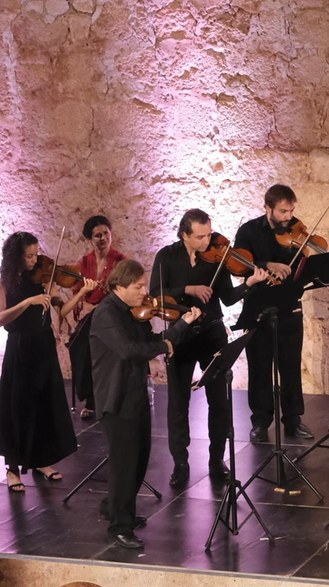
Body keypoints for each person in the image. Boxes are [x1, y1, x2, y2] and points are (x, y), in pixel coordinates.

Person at [155, 208, 270, 486]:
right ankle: (180, 463)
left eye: (209, 234)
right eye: (201, 237)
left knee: (219, 401)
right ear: (184, 234)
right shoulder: (166, 257)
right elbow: (156, 295)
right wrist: (188, 289)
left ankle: (217, 460)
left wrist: (250, 283)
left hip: (211, 334)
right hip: (180, 335)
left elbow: (228, 298)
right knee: (178, 403)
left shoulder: (215, 259)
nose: (208, 241)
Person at [91, 258, 201, 549]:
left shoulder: (131, 312)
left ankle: (115, 509)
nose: (144, 291)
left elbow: (151, 338)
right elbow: (128, 351)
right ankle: (119, 526)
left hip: (137, 394)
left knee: (139, 459)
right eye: (138, 285)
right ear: (119, 286)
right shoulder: (105, 314)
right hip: (117, 398)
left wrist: (182, 324)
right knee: (124, 464)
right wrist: (164, 346)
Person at [0, 231, 80, 492]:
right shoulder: (2, 285)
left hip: (44, 345)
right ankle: (12, 468)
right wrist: (29, 302)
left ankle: (42, 460)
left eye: (36, 254)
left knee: (45, 403)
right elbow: (0, 319)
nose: (35, 260)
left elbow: (61, 310)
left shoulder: (45, 280)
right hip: (20, 347)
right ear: (16, 257)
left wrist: (81, 292)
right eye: (29, 256)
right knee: (18, 405)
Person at [235, 184, 313, 442]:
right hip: (258, 309)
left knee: (290, 367)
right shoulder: (248, 231)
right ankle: (260, 422)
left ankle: (293, 420)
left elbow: (305, 267)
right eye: (282, 211)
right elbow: (238, 264)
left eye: (291, 210)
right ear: (267, 208)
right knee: (259, 368)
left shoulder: (296, 229)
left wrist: (305, 264)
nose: (288, 217)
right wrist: (266, 265)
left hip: (289, 307)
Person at [66, 214, 125, 420]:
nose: (102, 238)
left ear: (111, 234)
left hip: (113, 317)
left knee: (96, 344)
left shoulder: (121, 261)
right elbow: (77, 293)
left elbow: (124, 294)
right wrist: (82, 304)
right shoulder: (83, 263)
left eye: (106, 233)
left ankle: (104, 398)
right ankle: (90, 397)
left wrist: (98, 307)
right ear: (90, 239)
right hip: (91, 317)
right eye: (97, 235)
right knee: (76, 345)